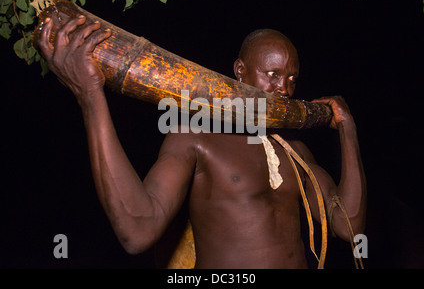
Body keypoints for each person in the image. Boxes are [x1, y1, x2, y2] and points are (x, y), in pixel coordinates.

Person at [38, 16, 366, 269]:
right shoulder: (194, 135)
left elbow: (347, 225)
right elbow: (137, 229)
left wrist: (347, 130)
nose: (283, 89)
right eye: (272, 74)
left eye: (291, 79)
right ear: (241, 71)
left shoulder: (296, 152)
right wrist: (90, 96)